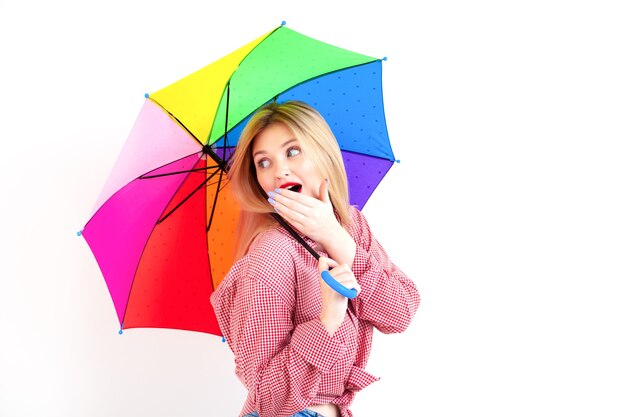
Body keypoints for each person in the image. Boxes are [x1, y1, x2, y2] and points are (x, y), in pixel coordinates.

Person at [210, 100, 420, 417]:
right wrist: (327, 320)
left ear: (322, 153)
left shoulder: (351, 225)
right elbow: (268, 399)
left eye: (292, 152)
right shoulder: (271, 252)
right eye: (263, 163)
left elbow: (400, 313)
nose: (279, 171)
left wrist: (335, 238)